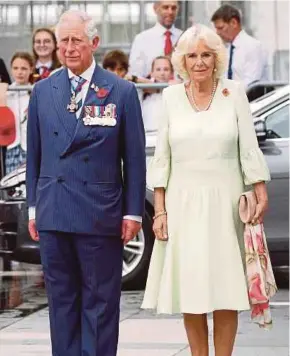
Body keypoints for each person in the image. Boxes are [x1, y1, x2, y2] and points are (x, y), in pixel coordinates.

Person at [142, 24, 270, 356]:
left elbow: (248, 147)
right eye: (193, 55)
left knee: (226, 288)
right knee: (192, 287)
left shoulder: (234, 92)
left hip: (227, 201)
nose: (200, 62)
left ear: (217, 58)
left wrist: (260, 190)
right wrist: (160, 209)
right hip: (182, 202)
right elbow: (162, 157)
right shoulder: (170, 97)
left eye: (206, 55)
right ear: (182, 60)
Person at [26, 9, 146, 356]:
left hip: (100, 214)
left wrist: (134, 213)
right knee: (61, 304)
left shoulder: (120, 91)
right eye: (63, 41)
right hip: (53, 212)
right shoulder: (42, 91)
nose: (68, 48)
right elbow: (35, 155)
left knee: (100, 304)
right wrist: (34, 208)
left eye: (75, 40)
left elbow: (134, 158)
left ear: (93, 42)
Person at [211, 4, 268, 88]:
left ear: (234, 23)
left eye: (221, 28)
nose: (218, 33)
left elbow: (251, 83)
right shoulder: (228, 49)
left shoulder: (253, 47)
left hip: (251, 99)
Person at [129, 0, 182, 78]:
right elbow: (135, 74)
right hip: (150, 89)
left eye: (174, 8)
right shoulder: (142, 39)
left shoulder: (185, 38)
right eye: (165, 7)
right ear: (155, 8)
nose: (170, 12)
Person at [3, 52, 33, 173]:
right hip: (12, 147)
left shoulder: (36, 92)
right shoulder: (5, 94)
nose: (19, 72)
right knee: (11, 187)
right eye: (16, 68)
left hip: (30, 147)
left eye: (24, 68)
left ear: (31, 69)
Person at [142, 56, 174, 132]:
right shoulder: (143, 88)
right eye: (158, 69)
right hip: (148, 135)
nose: (162, 73)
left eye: (166, 69)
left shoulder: (176, 88)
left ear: (172, 73)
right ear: (152, 73)